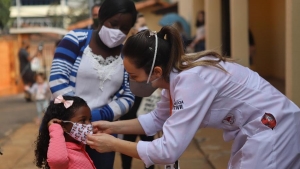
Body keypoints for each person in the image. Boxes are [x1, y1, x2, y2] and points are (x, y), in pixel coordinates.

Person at [86, 26, 300, 169]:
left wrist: (113, 144)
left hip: (273, 127)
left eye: (134, 76)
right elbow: (156, 119)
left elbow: (168, 151)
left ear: (156, 72)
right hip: (258, 129)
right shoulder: (175, 78)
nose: (131, 81)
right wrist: (112, 127)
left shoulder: (191, 81)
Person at [49, 0, 137, 168]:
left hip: (101, 133)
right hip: (65, 129)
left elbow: (128, 95)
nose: (118, 32)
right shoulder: (75, 39)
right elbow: (57, 81)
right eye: (113, 24)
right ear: (102, 18)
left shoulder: (127, 55)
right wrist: (78, 119)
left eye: (124, 28)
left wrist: (95, 118)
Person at [34, 95, 96, 169]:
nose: (89, 124)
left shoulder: (79, 146)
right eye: (83, 120)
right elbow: (57, 160)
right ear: (62, 125)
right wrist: (55, 128)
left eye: (90, 119)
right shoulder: (63, 152)